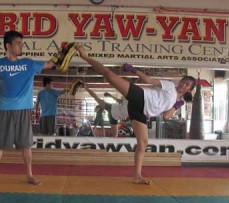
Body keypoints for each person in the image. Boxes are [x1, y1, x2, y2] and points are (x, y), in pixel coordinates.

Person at [75, 44, 196, 185]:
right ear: (180, 81)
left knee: (143, 143)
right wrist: (134, 70)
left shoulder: (176, 102)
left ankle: (137, 176)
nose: (184, 85)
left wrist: (178, 104)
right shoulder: (169, 85)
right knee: (110, 75)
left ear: (189, 90)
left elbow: (166, 116)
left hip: (140, 112)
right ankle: (84, 56)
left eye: (188, 85)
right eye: (184, 82)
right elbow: (149, 80)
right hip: (140, 97)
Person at [0, 30, 76, 186]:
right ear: (8, 45)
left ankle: (30, 175)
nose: (20, 46)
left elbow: (50, 64)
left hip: (24, 110)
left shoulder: (28, 63)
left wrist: (61, 53)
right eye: (18, 43)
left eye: (21, 43)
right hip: (4, 110)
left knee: (26, 145)